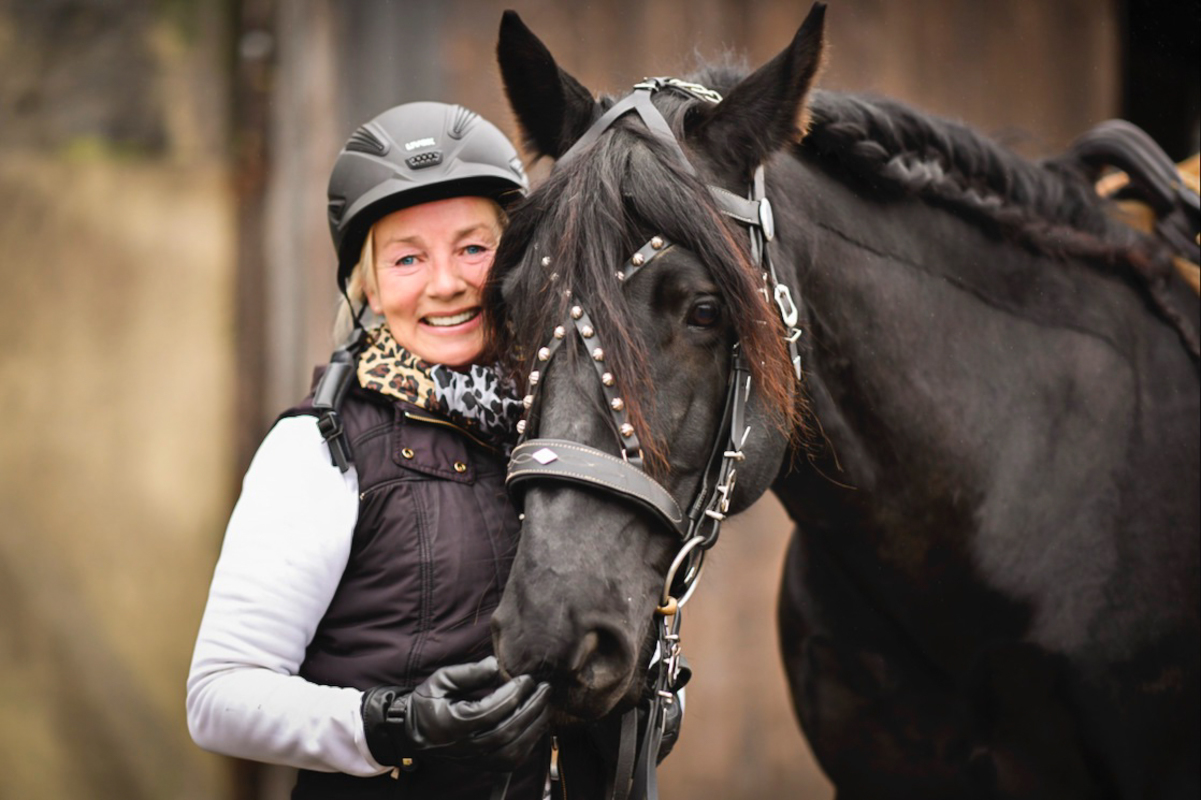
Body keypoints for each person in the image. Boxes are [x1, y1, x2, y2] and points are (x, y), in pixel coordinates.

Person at [186, 101, 552, 800]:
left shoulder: (564, 435)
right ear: (371, 289)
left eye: (474, 248)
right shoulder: (321, 449)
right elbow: (218, 698)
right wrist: (396, 724)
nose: (446, 282)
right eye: (408, 257)